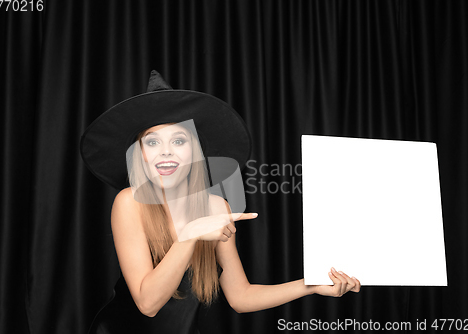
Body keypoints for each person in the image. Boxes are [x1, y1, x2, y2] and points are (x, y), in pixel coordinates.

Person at [80, 71, 360, 334]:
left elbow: (241, 296)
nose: (165, 152)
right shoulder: (130, 202)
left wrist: (310, 285)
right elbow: (147, 304)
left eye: (179, 141)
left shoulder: (216, 207)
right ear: (140, 154)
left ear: (196, 151)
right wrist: (190, 235)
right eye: (152, 143)